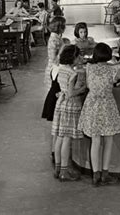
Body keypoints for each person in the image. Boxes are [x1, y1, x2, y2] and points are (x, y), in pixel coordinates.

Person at [78, 43, 120, 186]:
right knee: (108, 140)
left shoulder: (89, 68)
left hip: (92, 105)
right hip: (107, 106)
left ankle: (95, 174)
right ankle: (105, 173)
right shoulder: (112, 70)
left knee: (95, 141)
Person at [52, 45, 87, 182]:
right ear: (73, 57)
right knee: (67, 138)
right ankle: (65, 171)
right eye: (78, 56)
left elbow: (64, 90)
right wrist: (83, 88)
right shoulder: (73, 74)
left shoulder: (61, 69)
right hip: (71, 105)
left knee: (60, 137)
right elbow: (71, 93)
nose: (80, 58)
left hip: (61, 104)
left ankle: (58, 167)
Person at [43, 16, 70, 162]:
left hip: (55, 69)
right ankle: (55, 150)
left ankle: (55, 148)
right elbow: (54, 58)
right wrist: (64, 48)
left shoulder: (57, 37)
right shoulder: (54, 39)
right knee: (55, 106)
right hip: (54, 70)